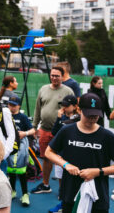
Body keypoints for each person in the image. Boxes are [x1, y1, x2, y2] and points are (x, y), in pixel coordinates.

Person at [45, 93, 114, 213]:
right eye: (89, 115)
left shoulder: (107, 136)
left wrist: (98, 171)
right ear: (80, 110)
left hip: (98, 197)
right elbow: (48, 152)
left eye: (95, 115)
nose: (92, 118)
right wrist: (66, 165)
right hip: (70, 193)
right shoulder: (67, 130)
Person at [31, 66, 74, 194]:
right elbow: (37, 109)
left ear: (62, 77)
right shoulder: (43, 89)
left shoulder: (68, 91)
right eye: (52, 75)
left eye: (57, 75)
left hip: (62, 132)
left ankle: (63, 190)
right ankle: (45, 185)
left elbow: (74, 109)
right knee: (46, 158)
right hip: (44, 130)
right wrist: (34, 126)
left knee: (62, 160)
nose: (54, 78)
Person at [49, 94, 80, 213]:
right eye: (63, 105)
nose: (64, 107)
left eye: (67, 106)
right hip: (60, 154)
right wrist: (58, 118)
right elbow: (54, 133)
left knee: (73, 181)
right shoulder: (61, 117)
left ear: (74, 106)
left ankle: (70, 203)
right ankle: (63, 201)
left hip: (73, 154)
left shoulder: (79, 118)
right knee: (60, 176)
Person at [6, 95, 35, 207]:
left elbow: (33, 130)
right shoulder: (5, 116)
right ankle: (12, 190)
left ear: (19, 106)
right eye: (10, 105)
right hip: (9, 145)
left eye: (14, 105)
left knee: (21, 171)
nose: (11, 107)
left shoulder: (22, 117)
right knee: (10, 170)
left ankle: (25, 194)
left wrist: (25, 133)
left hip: (21, 146)